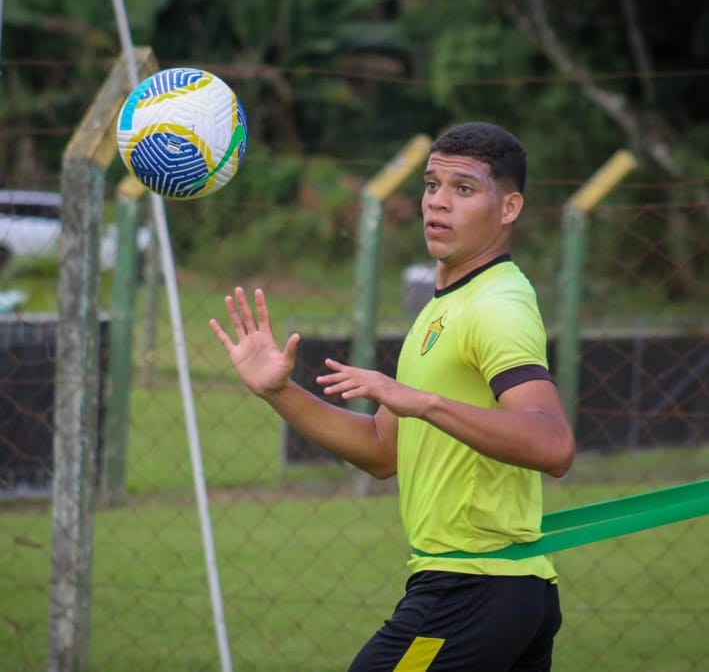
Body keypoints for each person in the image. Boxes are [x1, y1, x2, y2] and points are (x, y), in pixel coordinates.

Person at [209, 121, 576, 671]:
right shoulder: (442, 308)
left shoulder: (497, 306)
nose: (439, 203)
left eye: (465, 189)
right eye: (432, 185)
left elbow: (553, 444)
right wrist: (278, 392)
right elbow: (384, 450)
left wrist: (422, 402)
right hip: (496, 588)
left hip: (471, 591)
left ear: (509, 208)